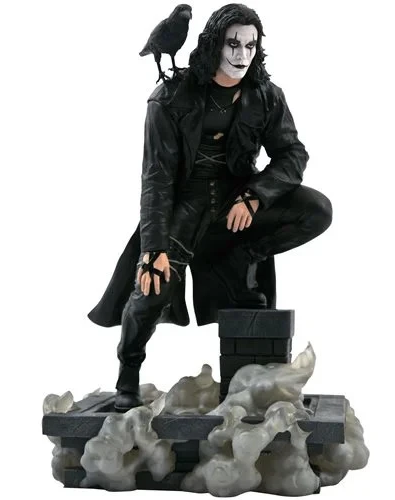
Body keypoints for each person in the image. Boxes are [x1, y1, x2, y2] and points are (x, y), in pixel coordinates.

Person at [88, 3, 332, 411]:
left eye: (250, 45)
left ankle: (242, 257)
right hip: (185, 205)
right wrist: (153, 248)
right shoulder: (170, 97)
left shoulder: (266, 95)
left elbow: (292, 154)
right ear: (214, 44)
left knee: (317, 210)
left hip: (238, 201)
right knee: (150, 288)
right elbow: (156, 178)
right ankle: (127, 377)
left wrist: (256, 195)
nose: (242, 54)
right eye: (233, 44)